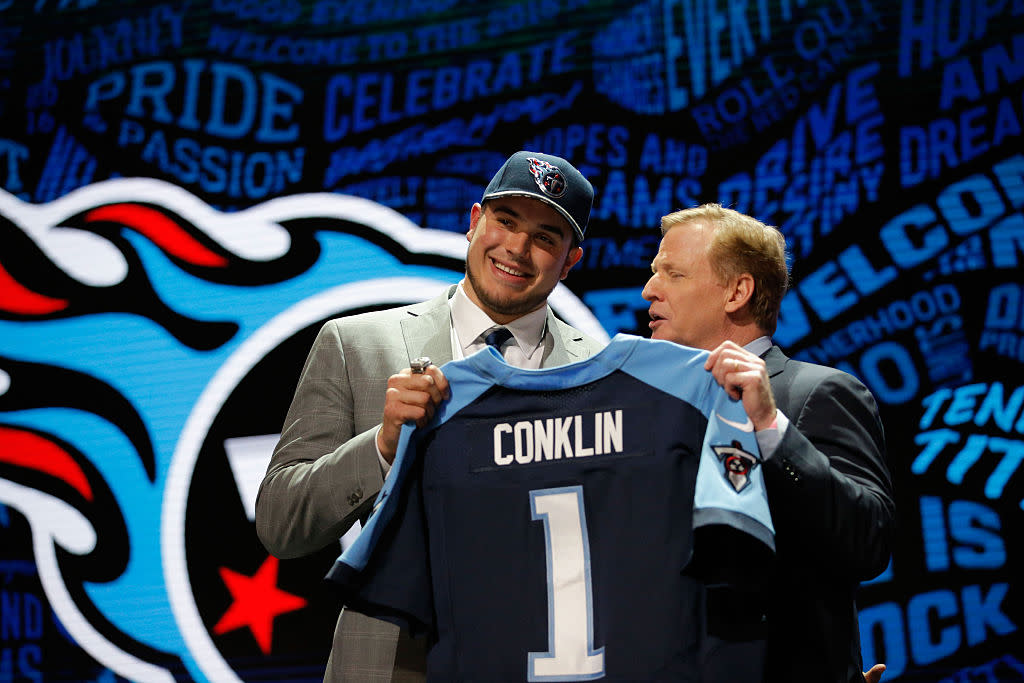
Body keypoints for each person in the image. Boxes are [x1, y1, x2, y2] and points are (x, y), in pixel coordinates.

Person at [255, 151, 605, 682]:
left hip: (540, 663)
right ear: (473, 223)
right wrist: (382, 446)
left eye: (545, 237)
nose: (516, 247)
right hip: (389, 664)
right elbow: (281, 525)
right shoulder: (356, 345)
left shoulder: (600, 374)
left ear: (570, 261)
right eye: (505, 221)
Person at [641, 203, 895, 683]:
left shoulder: (817, 392)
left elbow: (870, 540)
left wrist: (768, 424)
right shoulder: (650, 408)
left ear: (738, 291)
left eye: (672, 273)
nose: (648, 289)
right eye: (655, 273)